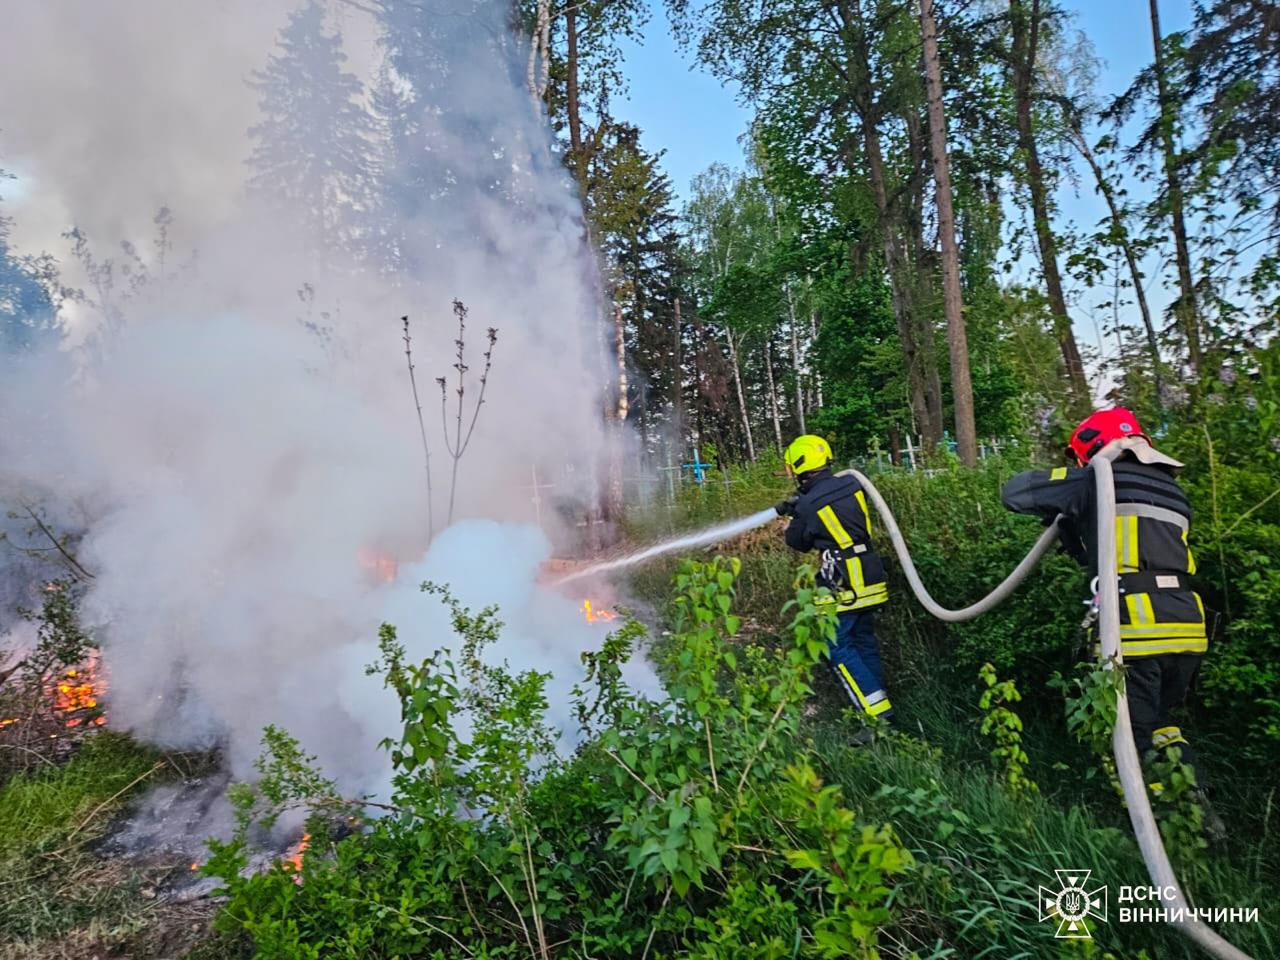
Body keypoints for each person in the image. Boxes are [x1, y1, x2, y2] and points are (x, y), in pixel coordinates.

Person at [1001, 408, 1223, 834]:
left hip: (1136, 628)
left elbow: (1015, 492)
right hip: (1187, 628)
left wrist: (1069, 494)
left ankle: (1166, 829)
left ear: (1091, 450)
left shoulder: (1096, 478)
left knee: (1128, 736)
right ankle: (1192, 799)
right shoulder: (1174, 490)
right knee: (1161, 723)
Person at [776, 435, 892, 736]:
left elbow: (798, 541)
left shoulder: (809, 503)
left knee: (836, 645)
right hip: (869, 571)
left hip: (843, 580)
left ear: (800, 467)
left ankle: (873, 718)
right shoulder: (852, 483)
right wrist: (799, 505)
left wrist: (792, 518)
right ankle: (879, 708)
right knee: (864, 641)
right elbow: (830, 505)